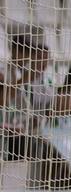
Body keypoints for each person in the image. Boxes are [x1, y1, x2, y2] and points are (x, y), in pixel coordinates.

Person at [1, 31, 56, 161]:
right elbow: (6, 98)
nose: (27, 56)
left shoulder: (27, 71)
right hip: (10, 128)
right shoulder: (6, 71)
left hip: (27, 128)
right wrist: (24, 80)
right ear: (15, 51)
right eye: (24, 51)